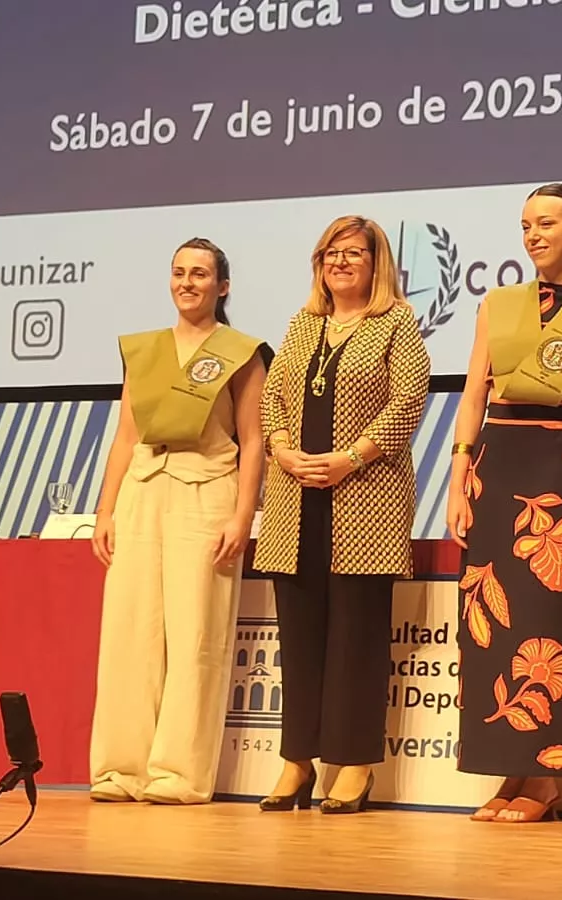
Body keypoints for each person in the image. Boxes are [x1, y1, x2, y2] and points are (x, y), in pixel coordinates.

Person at [446, 184, 562, 823]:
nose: (533, 234)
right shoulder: (496, 307)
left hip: (560, 475)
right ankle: (508, 772)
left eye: (547, 222)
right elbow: (474, 395)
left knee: (545, 623)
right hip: (492, 475)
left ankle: (546, 781)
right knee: (490, 624)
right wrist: (456, 475)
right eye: (526, 224)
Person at [254, 215, 431, 815]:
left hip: (365, 501)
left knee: (355, 638)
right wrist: (280, 448)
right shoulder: (303, 324)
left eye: (353, 252)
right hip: (293, 500)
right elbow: (273, 399)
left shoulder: (396, 325)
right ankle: (296, 761)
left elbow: (409, 402)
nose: (340, 262)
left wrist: (350, 458)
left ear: (376, 261)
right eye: (331, 252)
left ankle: (353, 764)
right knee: (299, 637)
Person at [88, 237, 269, 805]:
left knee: (196, 637)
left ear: (223, 285)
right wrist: (105, 509)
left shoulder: (242, 351)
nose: (187, 282)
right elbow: (125, 436)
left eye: (200, 273)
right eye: (179, 272)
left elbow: (254, 440)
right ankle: (120, 769)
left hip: (206, 493)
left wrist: (243, 515)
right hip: (143, 492)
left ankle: (179, 774)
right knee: (129, 634)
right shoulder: (144, 350)